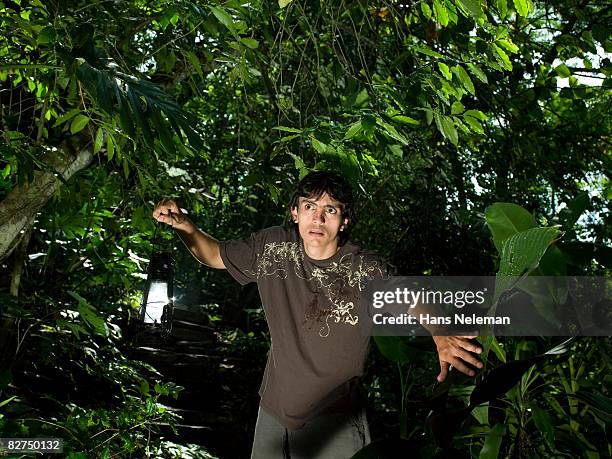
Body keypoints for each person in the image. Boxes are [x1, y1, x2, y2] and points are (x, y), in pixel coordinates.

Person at [152, 171, 483, 458]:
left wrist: (440, 331)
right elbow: (213, 255)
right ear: (295, 213)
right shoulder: (272, 248)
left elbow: (407, 295)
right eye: (309, 207)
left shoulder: (365, 268)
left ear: (344, 220)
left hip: (335, 418)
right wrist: (185, 226)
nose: (318, 219)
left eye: (330, 210)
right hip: (274, 411)